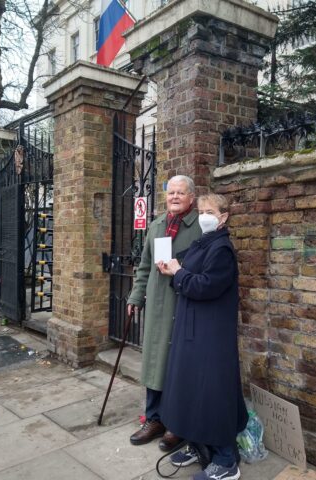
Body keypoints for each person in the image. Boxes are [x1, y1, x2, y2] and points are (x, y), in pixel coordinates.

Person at [157, 193, 248, 480]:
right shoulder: (203, 242)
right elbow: (188, 278)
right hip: (193, 329)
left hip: (211, 335)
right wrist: (173, 271)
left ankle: (225, 462)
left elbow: (207, 286)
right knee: (191, 390)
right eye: (202, 211)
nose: (204, 216)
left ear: (224, 217)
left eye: (210, 211)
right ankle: (200, 447)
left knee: (211, 393)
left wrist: (179, 273)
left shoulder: (221, 249)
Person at [127, 175, 202, 451]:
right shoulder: (157, 225)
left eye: (181, 193)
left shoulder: (199, 228)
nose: (175, 197)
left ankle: (176, 424)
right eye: (171, 192)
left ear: (191, 197)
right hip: (159, 306)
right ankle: (154, 419)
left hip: (185, 305)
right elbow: (145, 266)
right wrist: (136, 297)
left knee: (178, 366)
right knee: (156, 363)